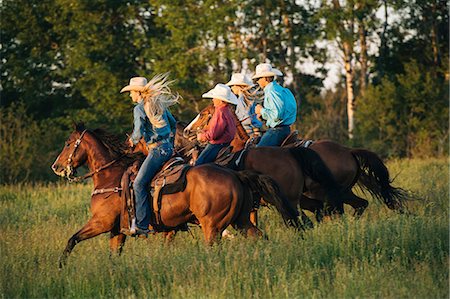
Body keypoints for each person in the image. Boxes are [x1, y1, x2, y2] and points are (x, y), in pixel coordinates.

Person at [120, 74, 178, 237]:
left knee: (139, 184)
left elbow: (138, 133)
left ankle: (142, 225)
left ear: (138, 93)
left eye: (131, 92)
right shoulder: (159, 105)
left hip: (156, 150)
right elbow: (173, 125)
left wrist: (132, 141)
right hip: (167, 148)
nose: (130, 95)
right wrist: (171, 144)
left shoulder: (139, 108)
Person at [252, 63, 297, 147]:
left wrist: (261, 110)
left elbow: (277, 115)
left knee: (257, 153)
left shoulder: (271, 91)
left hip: (277, 131)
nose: (257, 81)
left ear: (265, 78)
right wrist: (263, 116)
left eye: (258, 79)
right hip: (285, 129)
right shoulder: (282, 90)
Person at [195, 83, 238, 165]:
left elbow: (214, 134)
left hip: (217, 145)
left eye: (215, 98)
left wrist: (202, 136)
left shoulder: (220, 111)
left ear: (221, 100)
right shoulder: (227, 110)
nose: (213, 100)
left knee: (198, 164)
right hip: (226, 143)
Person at [226, 73, 263, 138]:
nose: (232, 88)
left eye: (233, 86)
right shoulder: (250, 98)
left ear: (238, 86)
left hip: (247, 131)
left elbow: (245, 119)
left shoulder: (241, 99)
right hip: (256, 129)